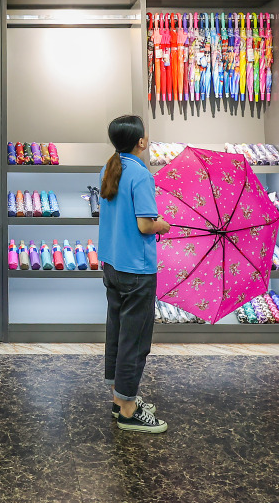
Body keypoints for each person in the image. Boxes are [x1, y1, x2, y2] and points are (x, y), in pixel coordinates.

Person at [98, 115, 170, 434]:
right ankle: (128, 411)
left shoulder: (109, 167)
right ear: (141, 141)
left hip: (112, 265)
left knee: (117, 333)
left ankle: (119, 400)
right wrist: (163, 225)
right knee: (135, 341)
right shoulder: (140, 174)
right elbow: (145, 225)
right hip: (136, 271)